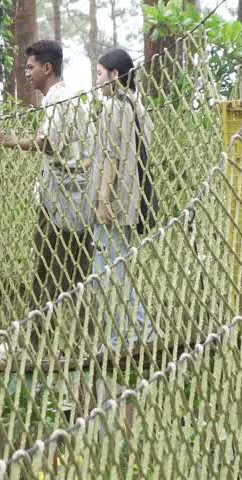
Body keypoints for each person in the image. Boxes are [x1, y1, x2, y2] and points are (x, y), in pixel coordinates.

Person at [0, 40, 95, 314]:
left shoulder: (60, 100)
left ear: (47, 68)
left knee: (50, 266)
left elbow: (47, 143)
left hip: (65, 199)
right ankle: (69, 325)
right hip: (73, 196)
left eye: (30, 67)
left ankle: (38, 329)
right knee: (73, 269)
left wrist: (9, 140)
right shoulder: (62, 98)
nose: (26, 73)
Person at [91, 48, 154, 348]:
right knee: (120, 269)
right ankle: (141, 332)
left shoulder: (113, 108)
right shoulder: (139, 107)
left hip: (114, 203)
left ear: (115, 75)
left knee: (107, 274)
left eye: (99, 74)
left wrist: (103, 200)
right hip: (133, 199)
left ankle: (121, 338)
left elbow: (111, 157)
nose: (96, 81)